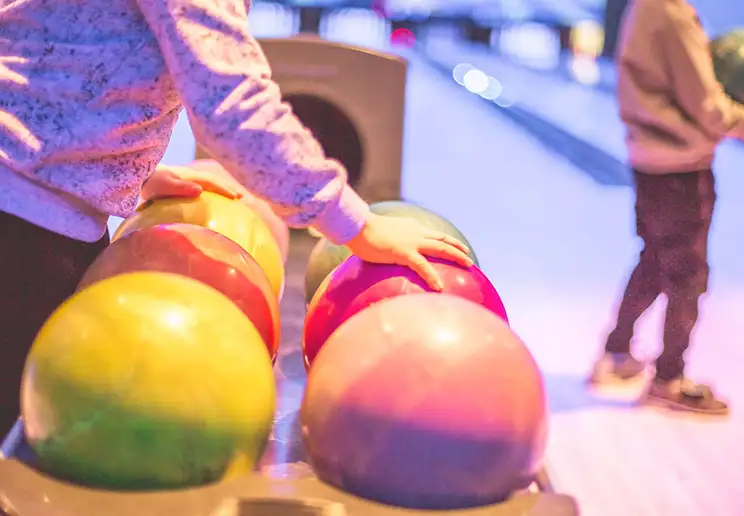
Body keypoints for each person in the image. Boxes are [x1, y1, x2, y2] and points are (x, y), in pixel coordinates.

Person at [0, 0, 472, 434]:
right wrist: (358, 226)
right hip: (19, 225)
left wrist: (123, 173)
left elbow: (60, 58)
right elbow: (231, 104)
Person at [588, 0, 744, 415]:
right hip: (680, 169)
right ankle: (669, 380)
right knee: (688, 277)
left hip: (650, 161)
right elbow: (711, 108)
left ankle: (615, 354)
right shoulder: (670, 10)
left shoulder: (645, 6)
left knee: (654, 262)